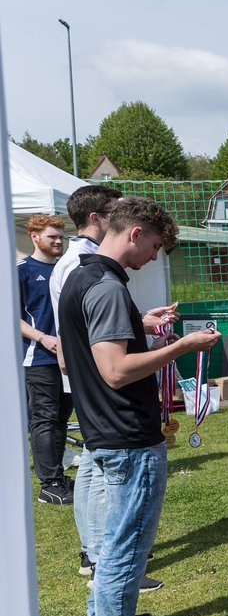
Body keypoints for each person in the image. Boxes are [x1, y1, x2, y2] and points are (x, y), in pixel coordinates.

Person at [58, 197, 221, 616]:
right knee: (127, 544)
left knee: (113, 542)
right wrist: (184, 346)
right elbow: (115, 369)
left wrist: (140, 322)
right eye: (154, 245)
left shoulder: (81, 277)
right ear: (134, 233)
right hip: (126, 435)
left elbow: (88, 349)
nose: (154, 256)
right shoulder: (106, 286)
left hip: (103, 430)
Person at [51, 186, 122, 575]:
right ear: (96, 218)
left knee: (93, 466)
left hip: (83, 371)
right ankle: (98, 555)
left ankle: (92, 552)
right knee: (99, 469)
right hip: (93, 375)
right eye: (115, 212)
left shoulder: (75, 259)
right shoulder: (83, 260)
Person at [19, 214, 74, 505]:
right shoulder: (21, 270)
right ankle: (49, 484)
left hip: (69, 357)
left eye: (60, 236)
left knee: (61, 419)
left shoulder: (66, 269)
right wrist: (42, 337)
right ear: (34, 237)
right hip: (39, 358)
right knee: (44, 419)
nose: (58, 241)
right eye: (52, 236)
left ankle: (58, 476)